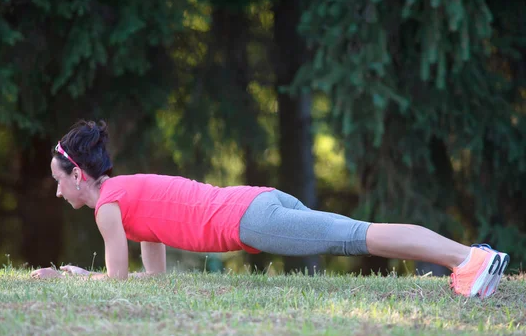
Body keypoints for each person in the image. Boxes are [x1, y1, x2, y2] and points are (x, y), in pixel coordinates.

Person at [31, 120, 510, 298]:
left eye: (59, 181)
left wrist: (72, 275)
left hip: (251, 218)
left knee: (356, 234)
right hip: (257, 200)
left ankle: (469, 260)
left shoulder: (107, 207)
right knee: (352, 230)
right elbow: (152, 280)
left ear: (79, 175)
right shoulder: (127, 194)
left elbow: (115, 285)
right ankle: (471, 261)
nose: (58, 194)